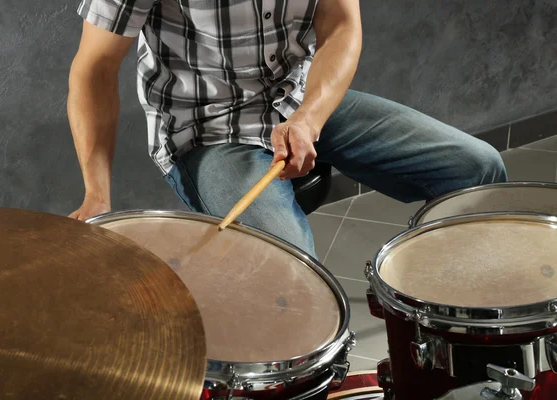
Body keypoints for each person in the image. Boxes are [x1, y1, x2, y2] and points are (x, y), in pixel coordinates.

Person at [67, 0, 507, 259]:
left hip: (299, 100)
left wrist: (308, 119)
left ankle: (453, 344)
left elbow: (341, 26)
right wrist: (96, 195)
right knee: (290, 270)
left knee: (477, 169)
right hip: (207, 128)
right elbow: (95, 69)